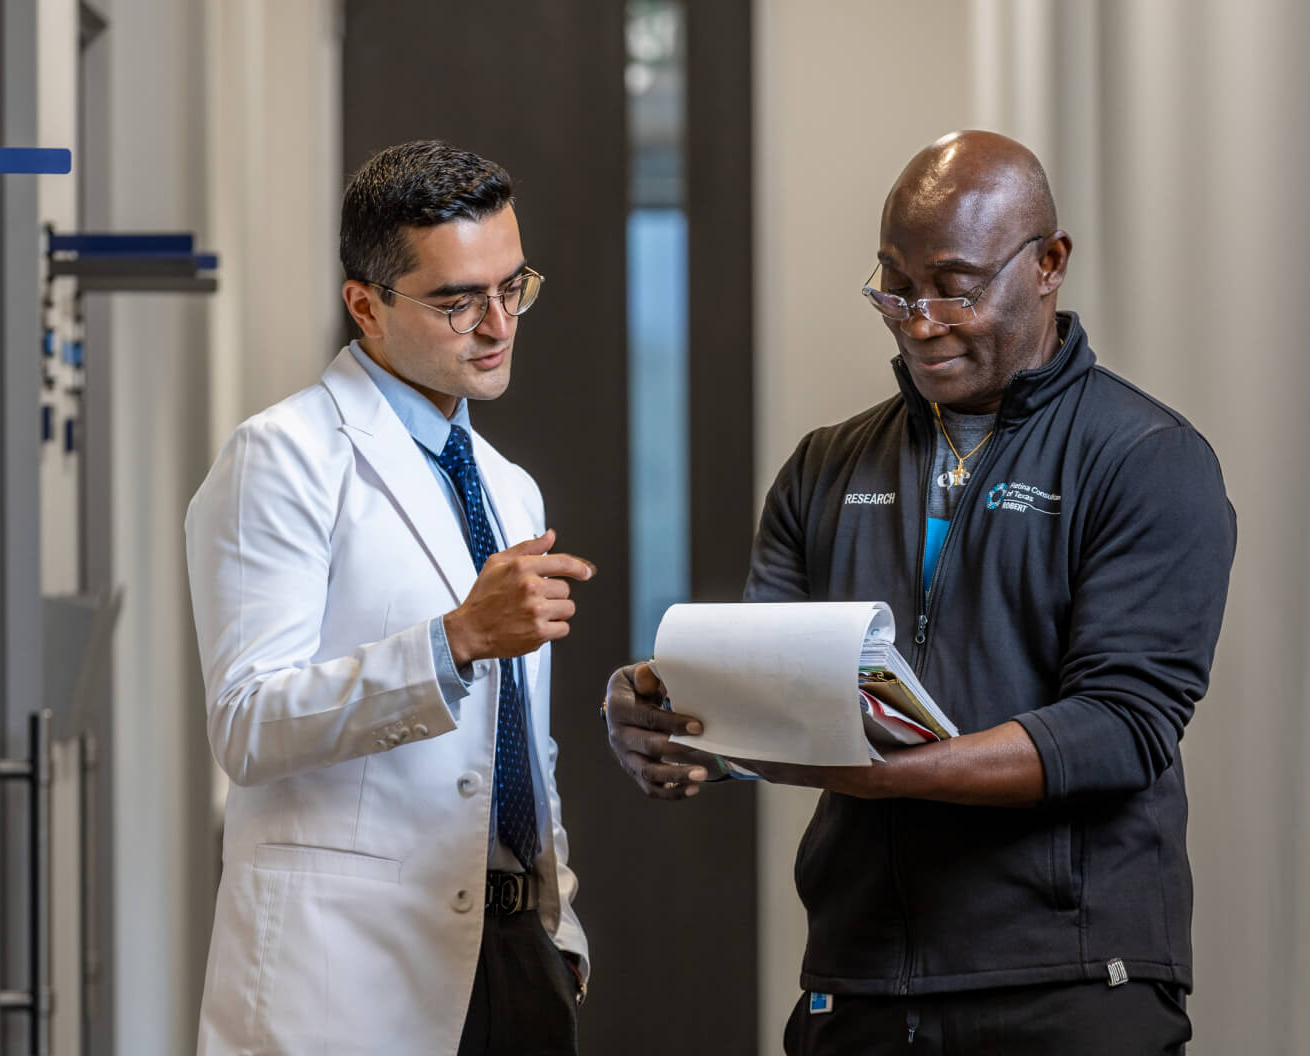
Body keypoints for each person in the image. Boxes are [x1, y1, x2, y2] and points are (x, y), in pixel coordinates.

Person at [603, 130, 1235, 1054]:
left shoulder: (1145, 460)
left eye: (954, 286)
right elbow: (770, 693)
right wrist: (667, 707)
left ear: (1050, 264)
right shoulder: (825, 467)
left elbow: (1123, 723)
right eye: (894, 285)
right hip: (860, 985)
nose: (917, 317)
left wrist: (886, 773)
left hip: (1067, 985)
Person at [186, 140, 593, 1056]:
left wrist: (557, 927)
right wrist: (450, 642)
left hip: (516, 955)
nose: (496, 325)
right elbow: (247, 725)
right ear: (365, 306)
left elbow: (521, 732)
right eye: (457, 302)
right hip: (349, 979)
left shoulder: (507, 486)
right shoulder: (282, 459)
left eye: (511, 287)